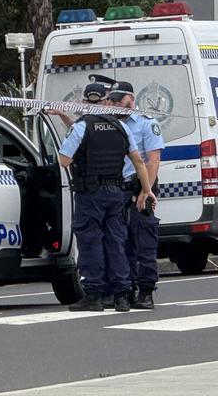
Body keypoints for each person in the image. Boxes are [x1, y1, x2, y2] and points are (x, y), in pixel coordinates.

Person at [57, 82, 157, 312]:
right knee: (116, 242)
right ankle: (122, 295)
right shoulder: (121, 127)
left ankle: (94, 294)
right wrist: (147, 189)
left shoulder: (81, 127)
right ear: (106, 101)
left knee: (91, 241)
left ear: (85, 102)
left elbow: (64, 161)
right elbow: (138, 161)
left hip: (89, 193)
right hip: (116, 193)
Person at [107, 81, 165, 309]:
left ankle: (146, 291)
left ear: (130, 99)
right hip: (117, 189)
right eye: (111, 99)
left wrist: (145, 191)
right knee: (121, 243)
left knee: (144, 242)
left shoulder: (146, 123)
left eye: (118, 99)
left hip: (140, 186)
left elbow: (153, 160)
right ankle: (126, 288)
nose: (113, 103)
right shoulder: (111, 123)